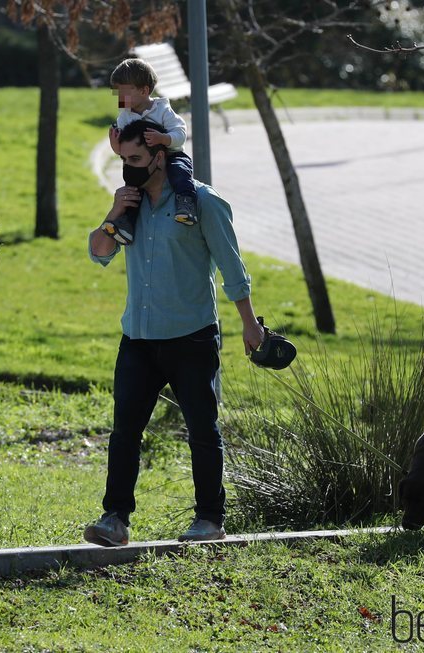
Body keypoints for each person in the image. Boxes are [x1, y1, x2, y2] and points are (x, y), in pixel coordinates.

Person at [84, 120, 265, 547]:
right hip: (139, 339)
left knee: (203, 430)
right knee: (125, 431)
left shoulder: (201, 201)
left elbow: (232, 268)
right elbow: (98, 253)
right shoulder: (129, 207)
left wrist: (249, 323)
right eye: (123, 159)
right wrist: (112, 215)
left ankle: (209, 520)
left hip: (191, 337)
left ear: (159, 156)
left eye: (135, 159)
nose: (128, 168)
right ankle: (115, 519)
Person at [102, 57, 197, 246]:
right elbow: (125, 148)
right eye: (117, 94)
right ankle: (126, 224)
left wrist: (164, 139)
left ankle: (186, 204)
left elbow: (180, 133)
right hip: (141, 162)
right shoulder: (124, 118)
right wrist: (116, 147)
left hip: (172, 155)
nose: (120, 100)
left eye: (123, 94)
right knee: (132, 189)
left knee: (180, 174)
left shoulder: (162, 111)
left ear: (144, 91)